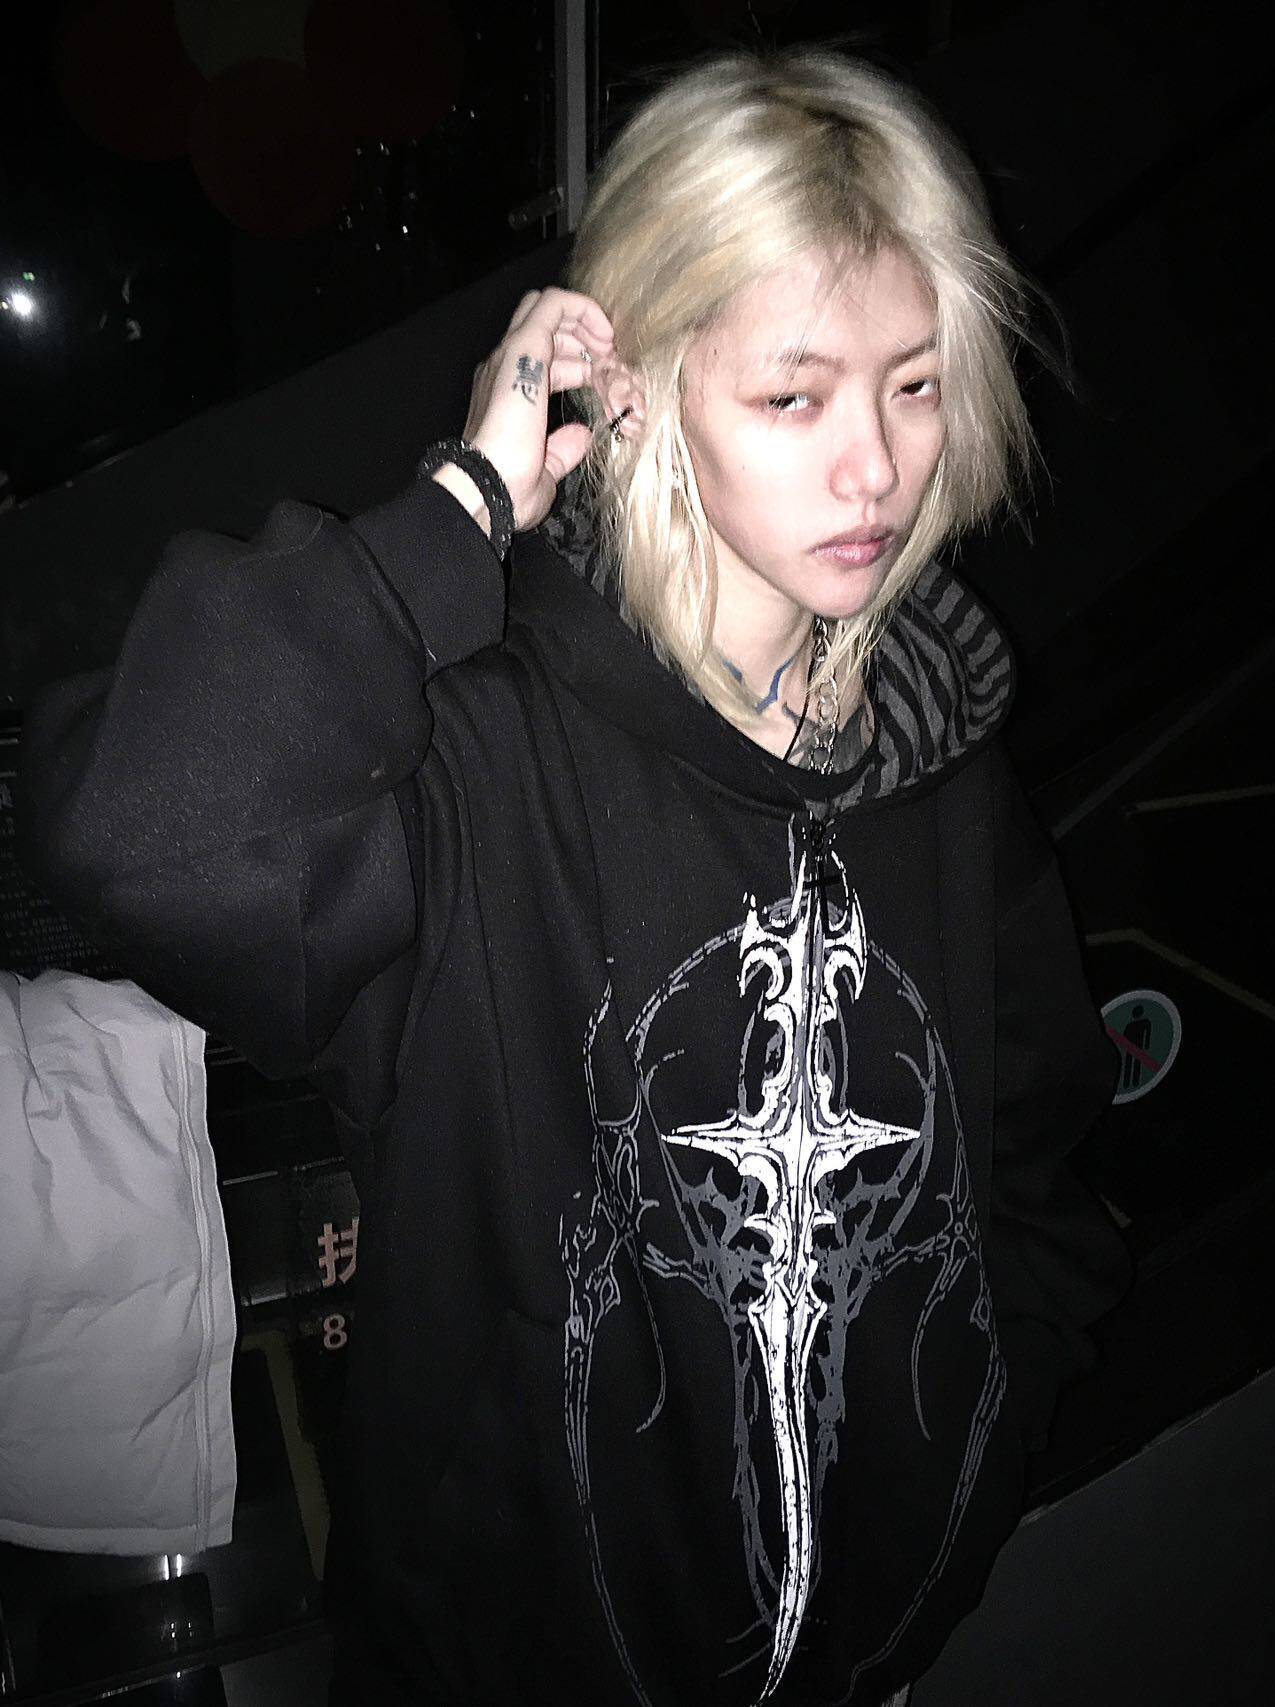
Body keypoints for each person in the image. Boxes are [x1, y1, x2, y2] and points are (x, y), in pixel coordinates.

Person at [16, 45, 1133, 1707]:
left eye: (915, 385)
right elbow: (141, 832)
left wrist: (961, 1470)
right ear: (645, 393)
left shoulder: (943, 768)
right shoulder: (482, 757)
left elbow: (1035, 1161)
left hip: (880, 1661)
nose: (876, 470)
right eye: (795, 396)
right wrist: (457, 512)